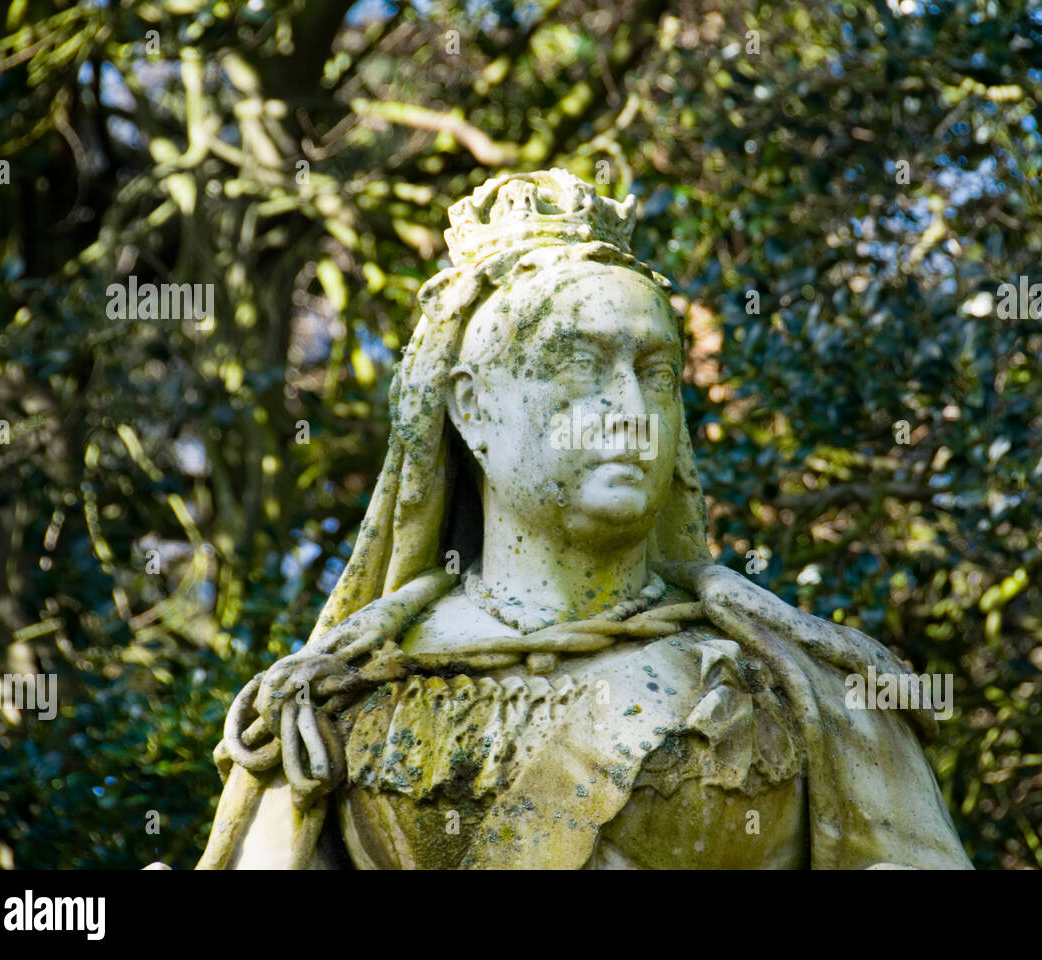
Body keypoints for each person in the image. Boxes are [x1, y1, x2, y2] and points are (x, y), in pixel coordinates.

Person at [197, 168, 972, 869]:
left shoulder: (806, 688)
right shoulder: (333, 702)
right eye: (578, 367)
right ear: (471, 408)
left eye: (657, 374)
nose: (631, 413)